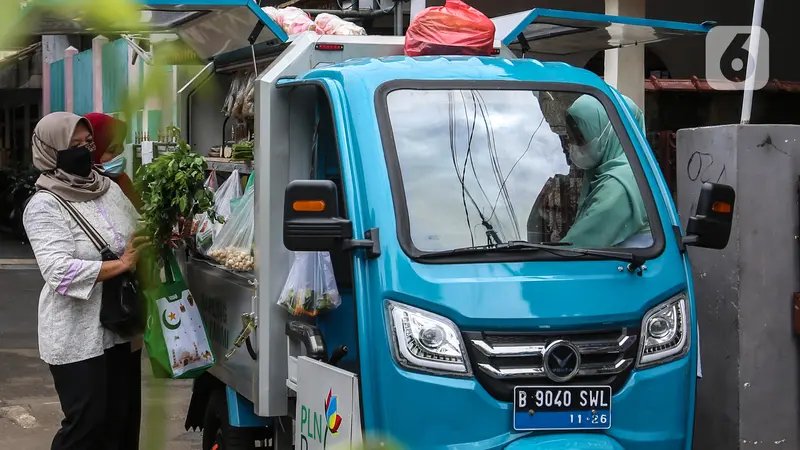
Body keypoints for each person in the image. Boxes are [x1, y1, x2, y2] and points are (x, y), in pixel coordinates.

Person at [23, 112, 145, 450]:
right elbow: (58, 271)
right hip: (76, 333)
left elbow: (135, 231)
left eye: (87, 143)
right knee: (86, 425)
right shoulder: (44, 205)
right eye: (72, 145)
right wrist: (121, 265)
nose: (83, 150)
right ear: (51, 151)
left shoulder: (108, 189)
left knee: (122, 423)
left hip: (120, 326)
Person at [84, 111, 144, 449]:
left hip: (127, 311)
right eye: (112, 149)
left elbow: (141, 222)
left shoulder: (121, 184)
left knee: (126, 407)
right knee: (98, 414)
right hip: (92, 321)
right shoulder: (70, 193)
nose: (118, 156)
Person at [560, 94, 651, 248]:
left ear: (612, 133)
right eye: (572, 138)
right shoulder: (632, 172)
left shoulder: (621, 185)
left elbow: (575, 248)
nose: (573, 146)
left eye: (581, 138)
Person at [85, 112, 143, 212]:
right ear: (92, 152)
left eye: (121, 145)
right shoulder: (80, 190)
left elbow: (141, 214)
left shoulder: (122, 180)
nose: (121, 151)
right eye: (112, 150)